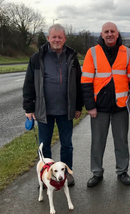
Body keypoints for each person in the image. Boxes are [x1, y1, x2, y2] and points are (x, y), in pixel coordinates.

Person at [23, 24, 84, 186]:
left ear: (64, 39)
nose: (57, 40)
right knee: (45, 147)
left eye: (60, 37)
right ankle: (45, 177)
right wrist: (28, 108)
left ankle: (67, 175)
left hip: (66, 111)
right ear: (48, 38)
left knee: (67, 146)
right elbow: (29, 83)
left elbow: (79, 84)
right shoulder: (37, 58)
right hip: (44, 111)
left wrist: (78, 106)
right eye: (54, 37)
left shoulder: (71, 58)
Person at [81, 22, 130, 187]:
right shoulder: (92, 53)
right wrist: (90, 106)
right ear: (101, 34)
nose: (109, 34)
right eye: (106, 31)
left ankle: (122, 172)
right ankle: (96, 172)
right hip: (99, 108)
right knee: (97, 142)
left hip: (121, 106)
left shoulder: (127, 53)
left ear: (117, 33)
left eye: (112, 31)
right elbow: (85, 82)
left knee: (121, 141)